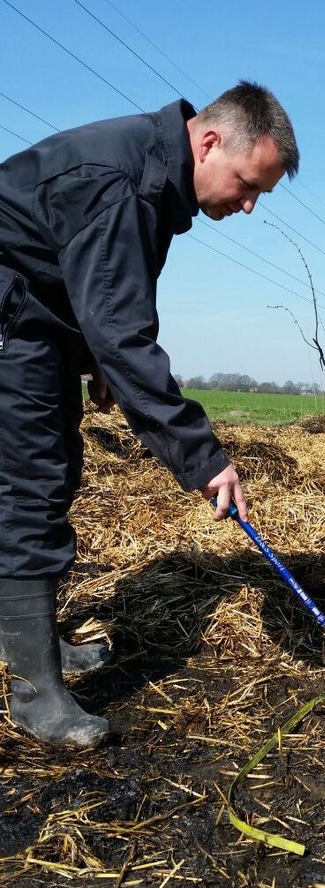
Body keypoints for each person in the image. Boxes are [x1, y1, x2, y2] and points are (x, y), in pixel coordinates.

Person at [0, 80, 299, 747]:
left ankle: (36, 643)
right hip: (9, 316)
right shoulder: (126, 180)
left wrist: (97, 357)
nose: (248, 206)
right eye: (249, 185)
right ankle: (35, 694)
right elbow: (120, 325)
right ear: (211, 140)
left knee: (55, 467)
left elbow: (100, 286)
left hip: (32, 313)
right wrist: (203, 458)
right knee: (30, 484)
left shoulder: (155, 177)